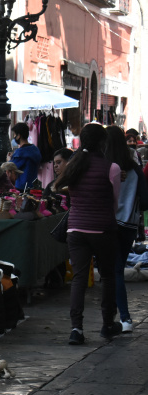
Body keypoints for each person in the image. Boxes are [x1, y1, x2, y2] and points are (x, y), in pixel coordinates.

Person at [53, 124, 121, 345]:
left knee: (79, 279)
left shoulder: (73, 166)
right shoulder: (112, 168)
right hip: (103, 230)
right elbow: (115, 204)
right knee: (108, 276)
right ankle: (107, 324)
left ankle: (76, 329)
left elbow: (60, 190)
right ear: (103, 143)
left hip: (76, 230)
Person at [104, 126, 143, 333]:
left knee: (112, 270)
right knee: (116, 269)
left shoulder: (107, 166)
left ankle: (122, 317)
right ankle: (119, 317)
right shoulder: (134, 166)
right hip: (129, 223)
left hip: (109, 223)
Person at [8, 122, 42, 191]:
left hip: (21, 187)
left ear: (18, 136)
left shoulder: (20, 152)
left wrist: (9, 159)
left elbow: (11, 167)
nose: (14, 137)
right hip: (33, 185)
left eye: (14, 134)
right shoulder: (35, 149)